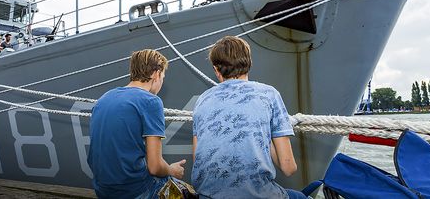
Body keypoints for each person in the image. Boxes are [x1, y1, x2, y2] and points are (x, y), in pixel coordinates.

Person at [191, 36, 305, 199]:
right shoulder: (269, 94)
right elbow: (288, 167)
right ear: (249, 63)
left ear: (216, 70)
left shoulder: (202, 100)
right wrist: (269, 135)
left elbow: (199, 161)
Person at [87, 49, 186, 199]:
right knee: (187, 192)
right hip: (134, 191)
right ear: (156, 73)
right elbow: (154, 167)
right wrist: (173, 170)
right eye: (163, 77)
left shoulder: (104, 98)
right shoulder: (151, 101)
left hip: (103, 190)